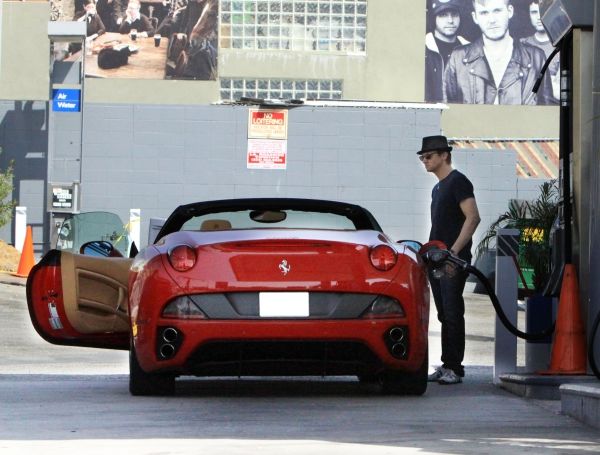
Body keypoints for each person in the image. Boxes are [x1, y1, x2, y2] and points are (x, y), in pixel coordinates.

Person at [418, 135, 481, 385]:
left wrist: (453, 252)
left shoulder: (458, 182)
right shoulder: (437, 188)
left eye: (429, 156)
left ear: (444, 155)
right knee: (444, 313)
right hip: (437, 259)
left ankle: (455, 367)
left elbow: (473, 217)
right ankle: (447, 365)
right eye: (423, 157)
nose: (425, 161)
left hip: (452, 260)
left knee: (453, 312)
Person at [444, 0, 553, 105]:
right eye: (484, 13)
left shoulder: (536, 58)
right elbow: (447, 114)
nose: (492, 20)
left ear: (510, 11)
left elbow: (547, 114)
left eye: (497, 11)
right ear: (475, 17)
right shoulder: (458, 59)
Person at [425, 0, 469, 103]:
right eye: (443, 15)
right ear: (434, 18)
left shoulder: (469, 49)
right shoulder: (424, 49)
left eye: (454, 14)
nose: (450, 20)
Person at [520, 0, 560, 103]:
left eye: (542, 11)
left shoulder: (560, 46)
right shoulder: (522, 44)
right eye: (534, 12)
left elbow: (559, 92)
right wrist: (550, 79)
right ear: (529, 15)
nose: (539, 17)